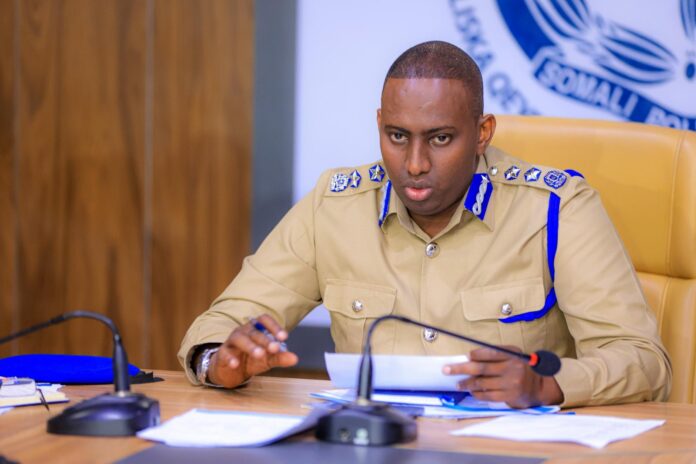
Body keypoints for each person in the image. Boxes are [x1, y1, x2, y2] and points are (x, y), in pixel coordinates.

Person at [178, 41, 671, 408]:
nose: (414, 164)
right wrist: (220, 362)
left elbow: (644, 361)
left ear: (482, 133)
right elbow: (222, 324)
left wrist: (548, 384)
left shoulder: (557, 209)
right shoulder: (334, 205)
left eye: (439, 139)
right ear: (379, 124)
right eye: (397, 136)